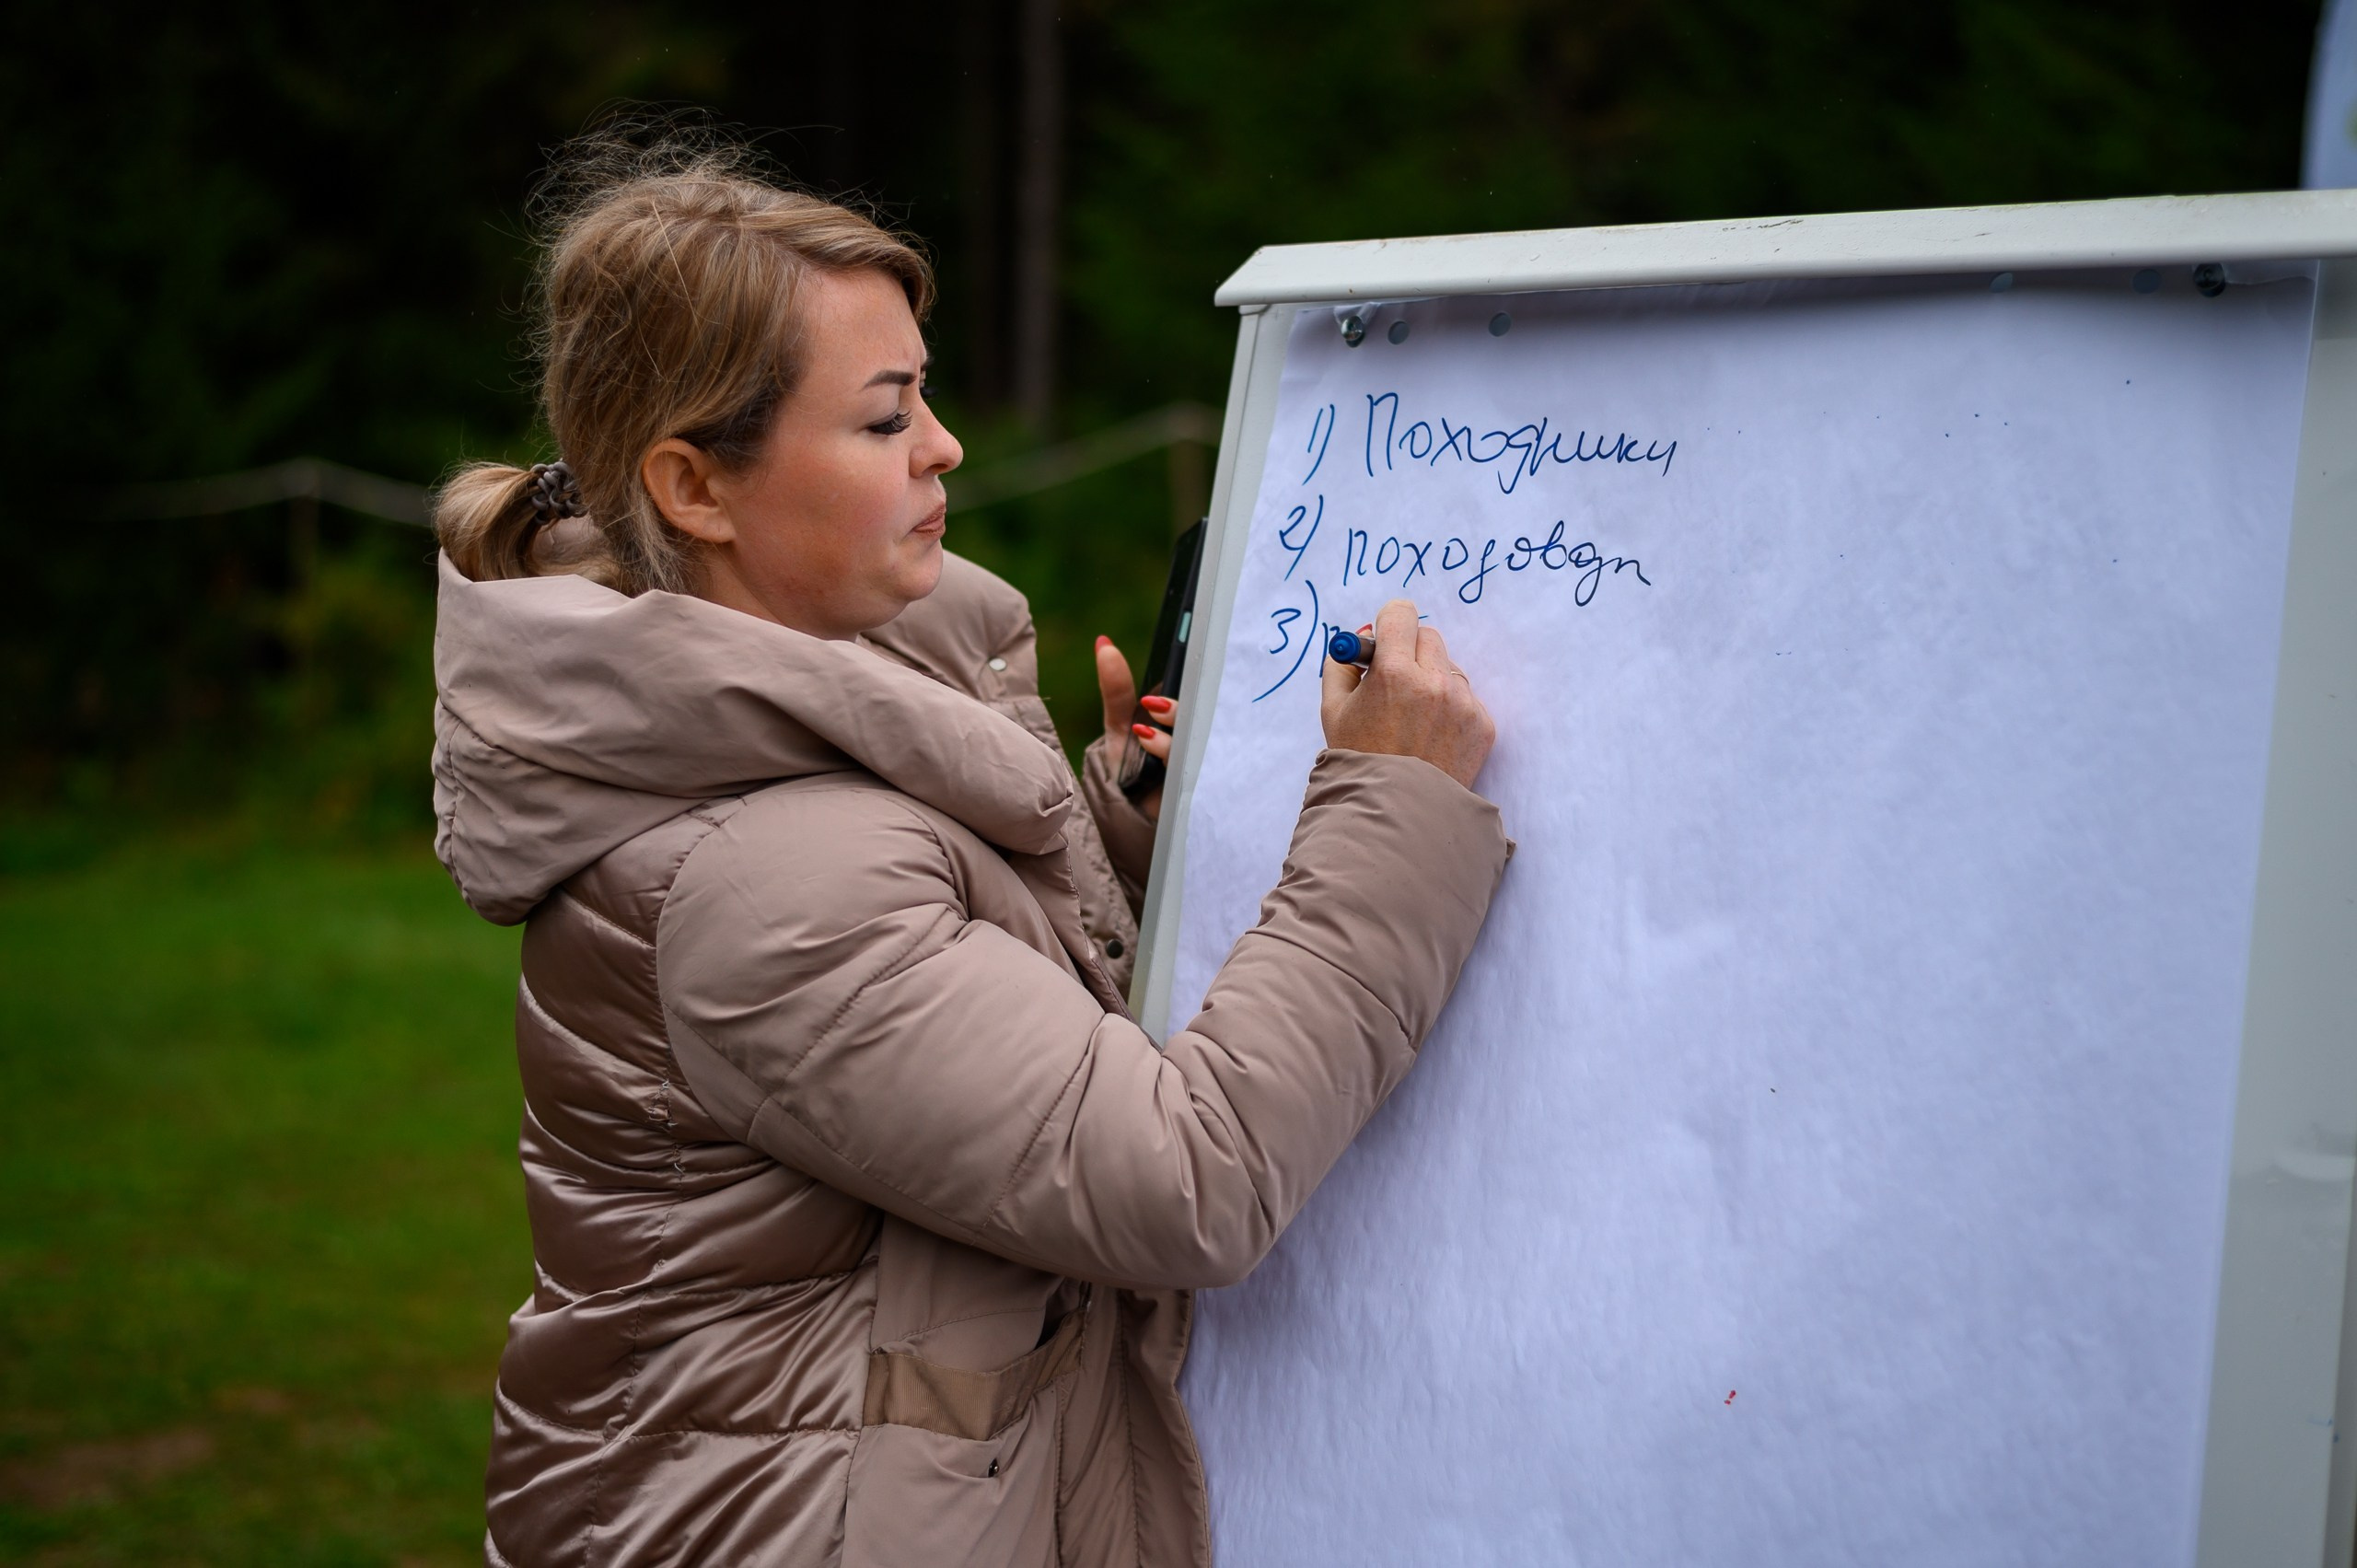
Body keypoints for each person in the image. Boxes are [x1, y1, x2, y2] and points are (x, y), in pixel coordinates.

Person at [431, 128, 1506, 1568]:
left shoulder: (822, 722)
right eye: (883, 420)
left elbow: (952, 1003)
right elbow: (1182, 1176)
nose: (943, 445)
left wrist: (1124, 834)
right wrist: (1397, 808)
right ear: (695, 488)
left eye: (923, 397)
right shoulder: (757, 880)